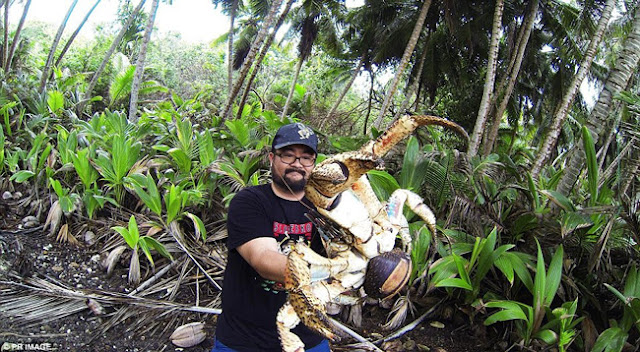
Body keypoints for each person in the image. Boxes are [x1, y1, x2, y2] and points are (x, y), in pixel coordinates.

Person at [213, 122, 330, 352]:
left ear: (313, 164)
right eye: (288, 155)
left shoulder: (326, 209)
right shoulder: (250, 201)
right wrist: (336, 270)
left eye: (306, 158)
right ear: (271, 158)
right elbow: (264, 260)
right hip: (244, 340)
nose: (297, 164)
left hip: (309, 336)